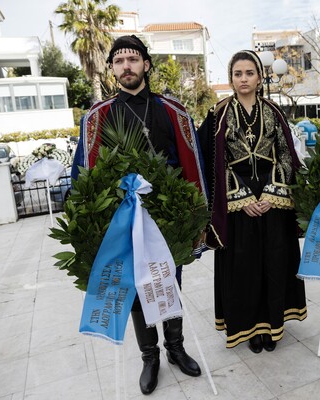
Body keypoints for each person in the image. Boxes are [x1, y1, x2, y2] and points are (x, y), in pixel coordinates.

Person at [71, 35, 206, 395]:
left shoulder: (172, 111)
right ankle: (150, 356)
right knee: (134, 291)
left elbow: (194, 168)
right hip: (122, 222)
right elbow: (84, 177)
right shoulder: (97, 118)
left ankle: (175, 347)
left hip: (167, 220)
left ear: (146, 65)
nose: (126, 66)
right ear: (112, 69)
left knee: (168, 283)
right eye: (118, 61)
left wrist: (196, 219)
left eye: (133, 59)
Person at [198, 50, 307, 353]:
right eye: (237, 74)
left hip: (273, 203)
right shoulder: (217, 114)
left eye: (249, 73)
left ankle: (273, 324)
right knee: (244, 269)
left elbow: (286, 154)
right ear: (230, 79)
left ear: (260, 77)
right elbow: (211, 161)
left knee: (272, 263)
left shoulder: (273, 111)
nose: (243, 79)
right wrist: (241, 196)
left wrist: (272, 193)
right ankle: (249, 329)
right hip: (236, 206)